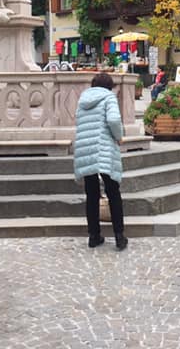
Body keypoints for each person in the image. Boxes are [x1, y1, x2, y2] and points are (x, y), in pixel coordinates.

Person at [74, 72, 127, 251]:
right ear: (109, 86)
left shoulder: (83, 99)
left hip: (85, 148)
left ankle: (93, 236)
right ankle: (119, 236)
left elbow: (78, 121)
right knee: (113, 191)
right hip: (103, 146)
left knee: (92, 194)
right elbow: (113, 119)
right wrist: (119, 137)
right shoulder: (109, 97)